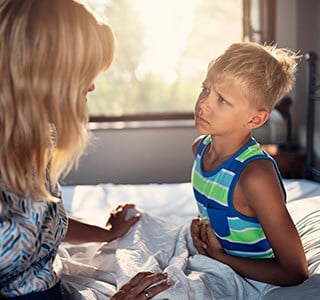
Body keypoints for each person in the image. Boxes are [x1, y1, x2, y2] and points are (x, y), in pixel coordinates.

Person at [0, 0, 171, 299]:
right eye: (86, 72)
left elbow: (46, 222)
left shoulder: (40, 135)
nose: (91, 87)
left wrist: (105, 235)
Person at [190, 42, 308, 286]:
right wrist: (202, 228)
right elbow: (215, 205)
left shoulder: (255, 176)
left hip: (251, 280)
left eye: (222, 99)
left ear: (256, 118)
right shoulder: (200, 148)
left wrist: (219, 257)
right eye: (205, 89)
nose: (203, 103)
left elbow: (295, 271)